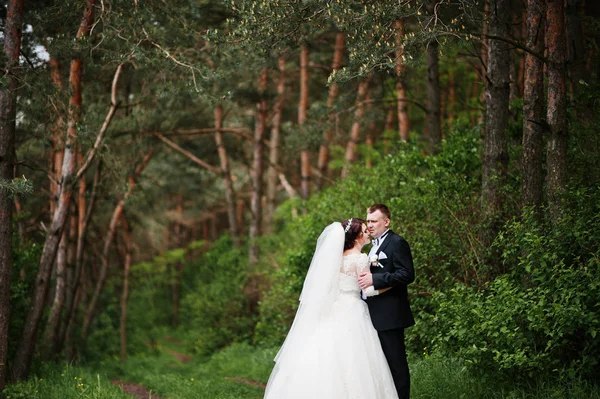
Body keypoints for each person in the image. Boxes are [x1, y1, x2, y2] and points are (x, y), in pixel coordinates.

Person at [264, 218, 399, 399]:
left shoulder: (335, 259)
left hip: (334, 309)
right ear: (358, 236)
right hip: (353, 310)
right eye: (365, 231)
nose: (368, 234)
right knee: (356, 358)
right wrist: (390, 285)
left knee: (329, 353)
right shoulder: (361, 259)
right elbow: (367, 290)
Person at [358, 203, 415, 399]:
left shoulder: (397, 242)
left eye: (374, 221)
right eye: (368, 221)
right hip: (372, 314)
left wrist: (376, 279)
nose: (370, 225)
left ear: (386, 222)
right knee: (381, 366)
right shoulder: (373, 246)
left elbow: (407, 274)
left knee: (396, 365)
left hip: (390, 315)